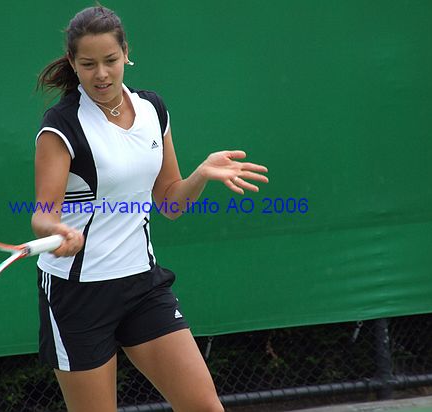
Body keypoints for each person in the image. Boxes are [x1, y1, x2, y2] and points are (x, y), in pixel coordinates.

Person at [32, 6, 268, 412]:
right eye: (88, 64)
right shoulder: (62, 126)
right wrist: (58, 231)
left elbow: (170, 203)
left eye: (110, 60)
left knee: (204, 406)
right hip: (78, 295)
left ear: (126, 53)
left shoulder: (152, 110)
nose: (102, 74)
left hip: (143, 286)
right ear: (73, 63)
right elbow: (42, 214)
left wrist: (200, 175)